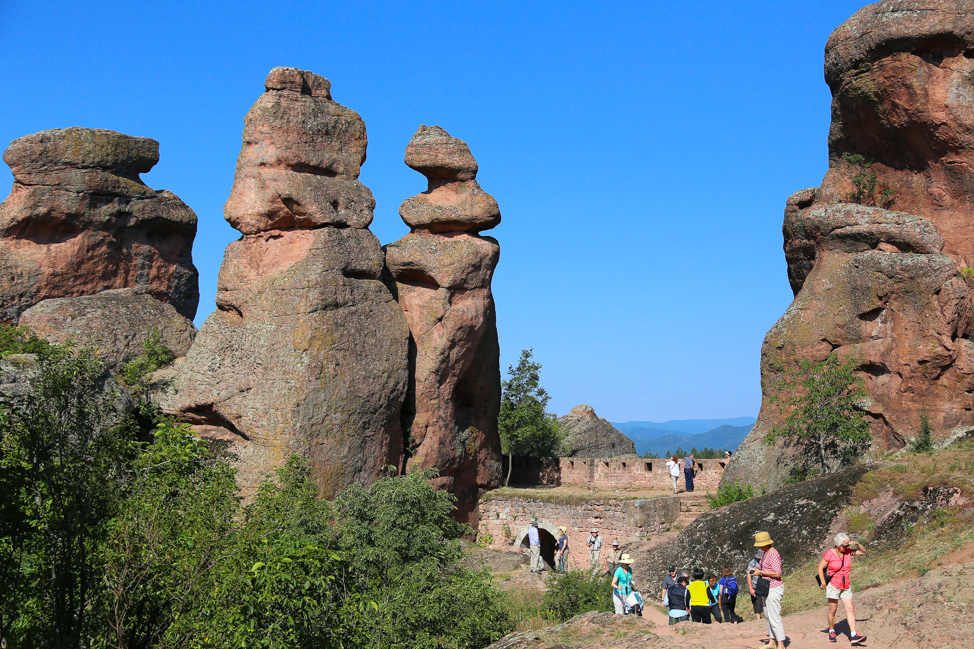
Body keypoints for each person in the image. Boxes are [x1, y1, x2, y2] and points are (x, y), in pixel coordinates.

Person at [818, 532, 867, 645]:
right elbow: (820, 568)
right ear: (837, 545)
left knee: (850, 609)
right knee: (833, 610)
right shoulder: (829, 554)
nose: (847, 547)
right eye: (844, 545)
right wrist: (823, 583)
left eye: (848, 545)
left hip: (846, 585)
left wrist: (857, 543)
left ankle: (853, 634)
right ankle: (831, 630)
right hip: (833, 585)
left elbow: (862, 551)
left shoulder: (848, 552)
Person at [750, 531, 785, 649]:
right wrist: (758, 569)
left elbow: (777, 573)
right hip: (766, 587)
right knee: (768, 615)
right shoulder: (766, 553)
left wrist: (761, 572)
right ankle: (772, 640)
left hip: (774, 587)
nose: (759, 547)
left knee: (774, 616)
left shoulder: (773, 554)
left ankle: (781, 643)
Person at [746, 549, 765, 620]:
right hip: (755, 585)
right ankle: (758, 618)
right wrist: (751, 588)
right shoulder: (753, 562)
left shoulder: (767, 561)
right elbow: (748, 575)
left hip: (765, 584)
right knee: (757, 602)